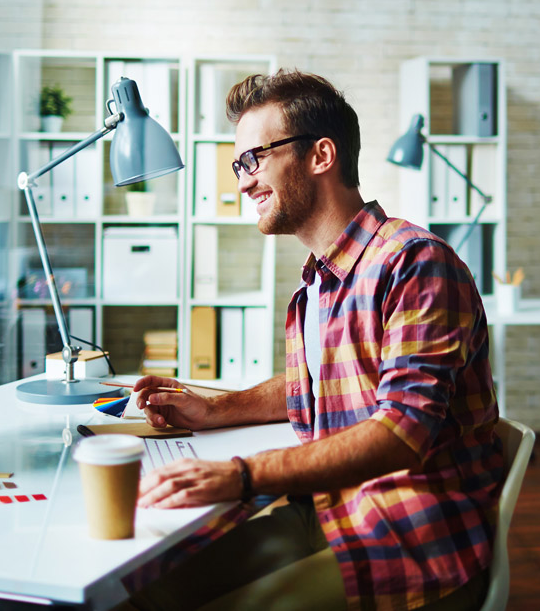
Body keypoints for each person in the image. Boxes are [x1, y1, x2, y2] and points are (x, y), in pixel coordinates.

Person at [128, 70, 502, 611]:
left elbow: (401, 432)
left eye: (254, 158)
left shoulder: (415, 262)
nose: (243, 181)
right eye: (240, 165)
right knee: (143, 588)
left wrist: (241, 475)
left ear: (321, 156)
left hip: (411, 536)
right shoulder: (321, 279)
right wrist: (215, 410)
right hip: (326, 510)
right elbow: (318, 384)